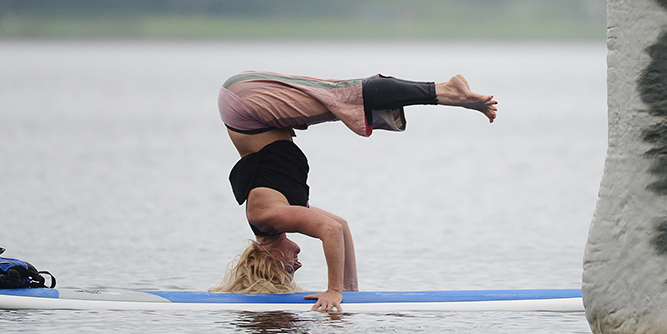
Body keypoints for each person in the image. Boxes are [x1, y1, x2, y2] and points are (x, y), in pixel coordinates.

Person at [211, 71, 498, 313]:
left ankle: (446, 91)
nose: (298, 264)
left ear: (270, 260)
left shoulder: (268, 216)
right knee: (344, 103)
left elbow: (330, 231)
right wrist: (351, 292)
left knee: (346, 97)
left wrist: (332, 290)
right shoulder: (280, 212)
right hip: (250, 109)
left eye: (289, 267)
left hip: (247, 106)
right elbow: (342, 228)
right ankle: (445, 92)